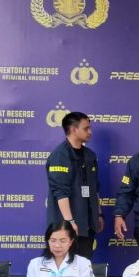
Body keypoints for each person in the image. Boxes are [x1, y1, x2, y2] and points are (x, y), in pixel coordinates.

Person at [46, 111, 102, 259]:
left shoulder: (90, 155)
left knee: (83, 267)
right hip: (66, 229)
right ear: (73, 129)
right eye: (86, 128)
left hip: (87, 226)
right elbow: (60, 192)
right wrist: (70, 222)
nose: (90, 132)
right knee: (66, 267)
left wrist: (98, 214)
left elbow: (95, 188)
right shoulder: (60, 156)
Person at [26, 221, 94, 277]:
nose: (57, 245)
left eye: (62, 241)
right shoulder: (35, 264)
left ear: (71, 242)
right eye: (53, 241)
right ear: (48, 241)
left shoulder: (83, 263)